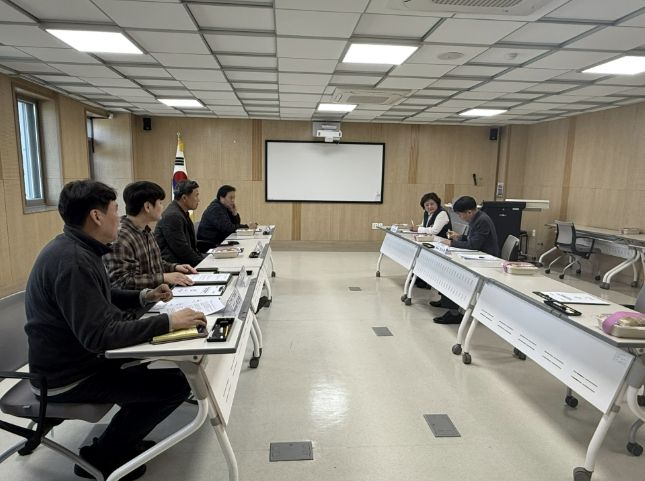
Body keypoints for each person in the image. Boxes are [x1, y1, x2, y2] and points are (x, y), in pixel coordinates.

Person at [25, 180, 207, 480]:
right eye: (114, 210)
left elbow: (103, 295)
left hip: (78, 361)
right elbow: (100, 337)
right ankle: (102, 457)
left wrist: (144, 296)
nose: (119, 218)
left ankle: (122, 441)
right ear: (97, 216)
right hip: (67, 377)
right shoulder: (74, 262)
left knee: (166, 371)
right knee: (173, 386)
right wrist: (168, 323)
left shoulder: (79, 248)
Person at [104, 181, 197, 294]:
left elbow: (155, 265)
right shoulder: (121, 238)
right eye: (160, 203)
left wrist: (175, 267)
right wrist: (164, 277)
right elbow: (122, 282)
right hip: (142, 302)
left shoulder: (146, 231)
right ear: (147, 207)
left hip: (159, 296)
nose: (162, 207)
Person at [432, 196, 499, 324]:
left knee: (453, 272)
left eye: (460, 214)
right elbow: (473, 239)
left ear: (469, 212)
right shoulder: (477, 218)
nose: (459, 217)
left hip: (485, 260)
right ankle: (446, 301)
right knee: (446, 266)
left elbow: (473, 245)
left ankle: (454, 313)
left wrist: (451, 243)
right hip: (477, 255)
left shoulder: (482, 220)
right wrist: (459, 237)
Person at [155, 179, 205, 267]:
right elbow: (182, 250)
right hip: (176, 266)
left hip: (184, 263)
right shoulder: (173, 216)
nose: (198, 200)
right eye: (196, 196)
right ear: (184, 198)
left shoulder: (181, 212)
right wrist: (204, 264)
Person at [197, 184, 258, 250]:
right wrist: (247, 227)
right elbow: (228, 228)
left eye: (234, 198)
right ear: (222, 198)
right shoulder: (215, 209)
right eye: (231, 198)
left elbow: (235, 224)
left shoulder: (224, 207)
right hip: (209, 245)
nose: (233, 200)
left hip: (219, 241)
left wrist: (234, 213)